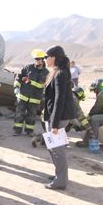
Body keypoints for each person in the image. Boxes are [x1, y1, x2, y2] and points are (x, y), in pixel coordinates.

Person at [43, 45, 76, 190]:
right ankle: (59, 175)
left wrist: (54, 124)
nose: (44, 60)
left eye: (46, 57)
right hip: (53, 116)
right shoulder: (56, 72)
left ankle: (60, 181)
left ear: (53, 57)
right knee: (53, 147)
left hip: (58, 118)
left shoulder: (61, 73)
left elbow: (59, 99)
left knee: (58, 150)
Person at [13, 49, 49, 136]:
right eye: (36, 59)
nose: (37, 61)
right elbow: (19, 78)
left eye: (39, 59)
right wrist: (16, 88)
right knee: (19, 113)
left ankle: (29, 131)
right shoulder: (27, 68)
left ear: (43, 59)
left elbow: (43, 85)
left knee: (32, 115)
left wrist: (30, 82)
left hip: (35, 98)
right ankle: (17, 130)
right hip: (22, 96)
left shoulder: (46, 72)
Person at [76, 79, 103, 148]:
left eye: (95, 90)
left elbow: (96, 109)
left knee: (94, 119)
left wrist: (87, 118)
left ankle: (91, 141)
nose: (95, 92)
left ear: (98, 88)